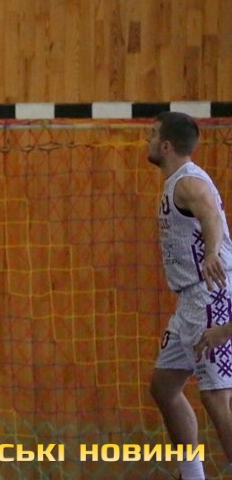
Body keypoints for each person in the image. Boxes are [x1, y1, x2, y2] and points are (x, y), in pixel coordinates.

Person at [147, 111, 232, 480]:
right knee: (164, 387)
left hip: (209, 296)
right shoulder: (176, 182)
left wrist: (212, 252)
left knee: (216, 396)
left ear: (166, 145)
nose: (149, 140)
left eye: (153, 135)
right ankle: (193, 475)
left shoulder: (188, 182)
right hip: (189, 302)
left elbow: (210, 215)